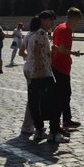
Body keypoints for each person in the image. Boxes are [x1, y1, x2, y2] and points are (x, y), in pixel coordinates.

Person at [28, 11, 69, 143]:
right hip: (43, 74)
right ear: (44, 20)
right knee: (54, 104)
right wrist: (40, 69)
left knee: (38, 104)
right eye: (51, 20)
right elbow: (36, 51)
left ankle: (39, 131)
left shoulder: (40, 34)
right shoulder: (41, 33)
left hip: (39, 73)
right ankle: (54, 134)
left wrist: (52, 52)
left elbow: (43, 54)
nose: (52, 23)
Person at [51, 7, 84, 132]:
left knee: (65, 94)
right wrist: (73, 52)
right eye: (77, 21)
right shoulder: (66, 30)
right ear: (73, 18)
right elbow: (62, 49)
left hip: (57, 65)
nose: (77, 24)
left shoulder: (59, 27)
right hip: (61, 67)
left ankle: (66, 119)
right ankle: (59, 123)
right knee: (62, 95)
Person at [19, 16, 40, 135]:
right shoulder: (38, 35)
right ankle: (27, 125)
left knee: (34, 97)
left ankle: (35, 123)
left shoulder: (27, 35)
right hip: (33, 69)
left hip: (26, 68)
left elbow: (21, 52)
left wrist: (28, 57)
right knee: (33, 99)